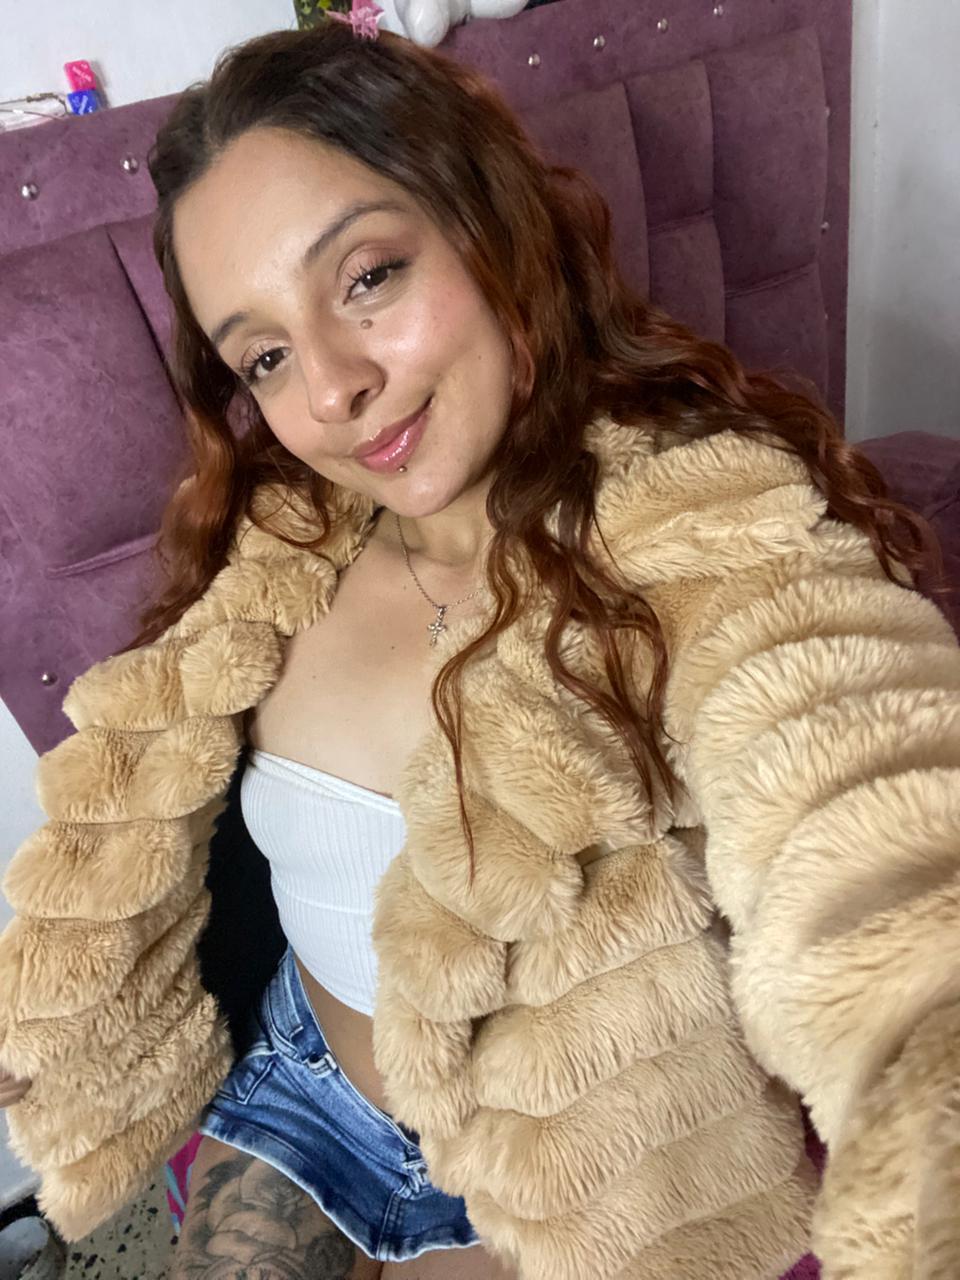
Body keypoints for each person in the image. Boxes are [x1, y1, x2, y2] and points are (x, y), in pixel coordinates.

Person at [2, 20, 959, 1280]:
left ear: (487, 221)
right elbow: (136, 787)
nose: (332, 389)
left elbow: (856, 795)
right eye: (267, 354)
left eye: (367, 277)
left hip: (558, 1159)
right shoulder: (286, 538)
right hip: (308, 1077)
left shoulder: (709, 532)